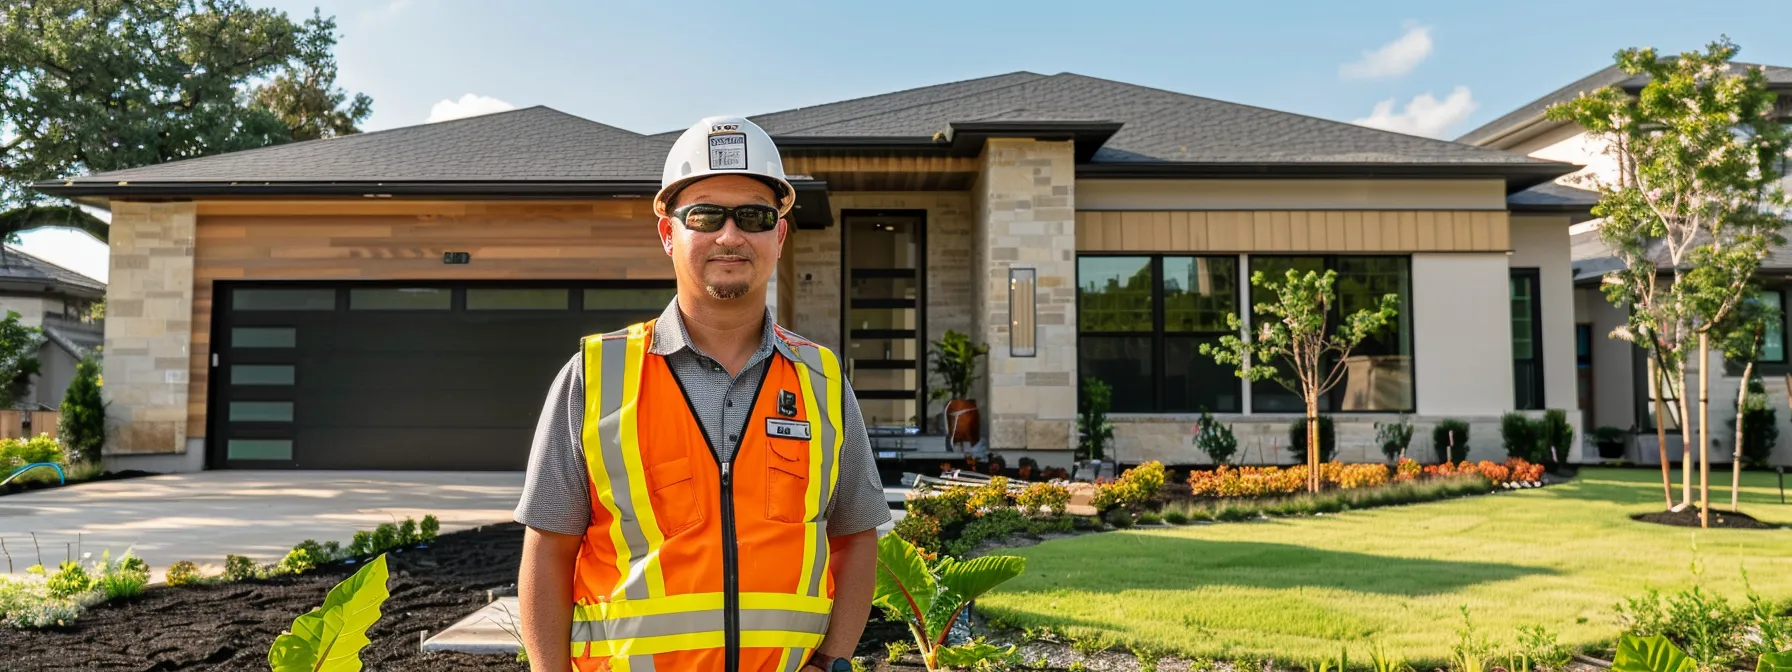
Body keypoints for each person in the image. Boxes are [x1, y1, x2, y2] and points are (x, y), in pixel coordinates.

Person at [512, 116, 892, 672]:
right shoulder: (592, 377)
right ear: (669, 233)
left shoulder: (822, 380)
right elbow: (549, 550)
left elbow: (856, 536)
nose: (731, 236)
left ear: (779, 237)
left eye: (756, 217)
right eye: (706, 215)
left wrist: (831, 661)